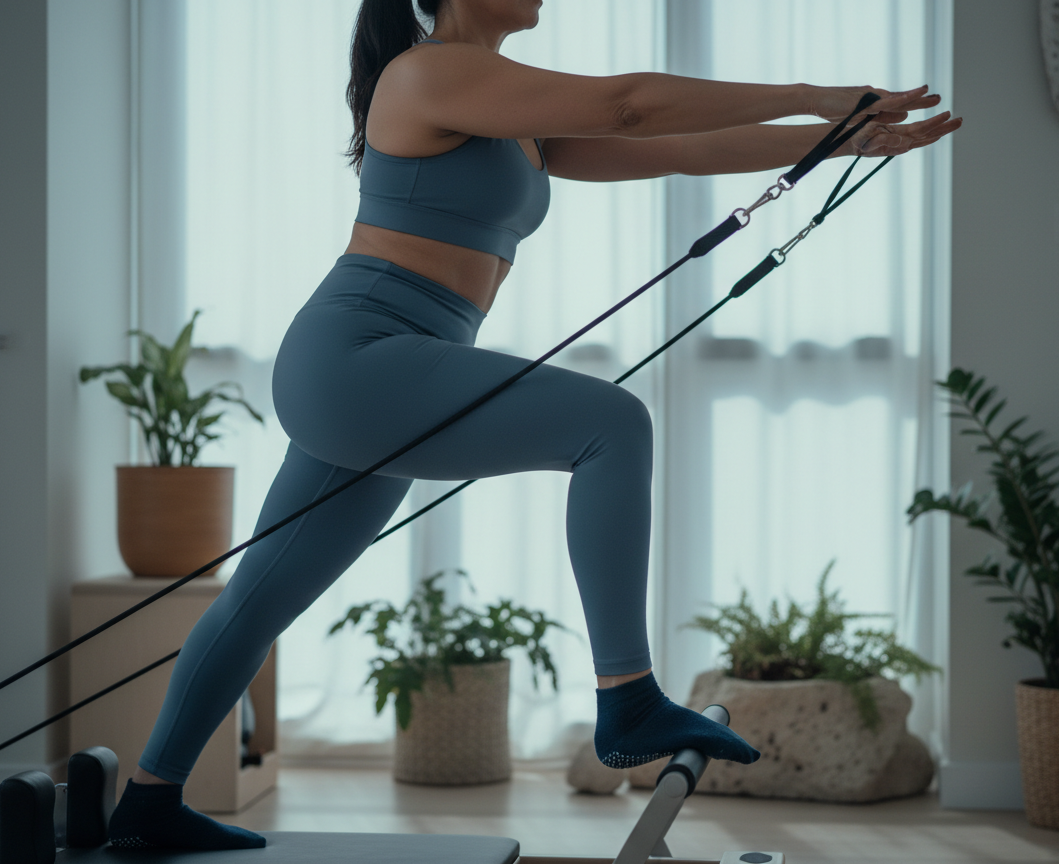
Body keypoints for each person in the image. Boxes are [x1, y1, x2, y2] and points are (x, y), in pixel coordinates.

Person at [107, 0, 961, 851]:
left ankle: (147, 803)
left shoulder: (507, 113)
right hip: (359, 356)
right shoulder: (428, 71)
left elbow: (673, 148)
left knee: (259, 600)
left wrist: (842, 141)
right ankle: (627, 697)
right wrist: (814, 96)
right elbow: (626, 101)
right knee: (611, 425)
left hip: (384, 370)